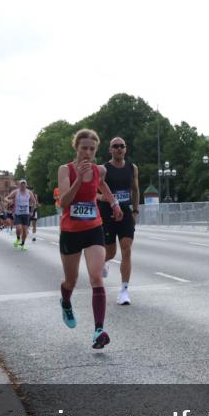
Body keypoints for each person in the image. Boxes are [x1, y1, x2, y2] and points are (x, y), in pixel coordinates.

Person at [57, 128, 123, 349]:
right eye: (83, 148)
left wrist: (113, 204)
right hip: (70, 231)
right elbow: (64, 203)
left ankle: (98, 330)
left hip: (93, 227)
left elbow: (102, 184)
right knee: (71, 280)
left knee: (96, 277)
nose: (87, 153)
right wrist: (78, 180)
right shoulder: (65, 170)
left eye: (92, 149)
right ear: (76, 148)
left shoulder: (99, 170)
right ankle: (66, 302)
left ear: (96, 150)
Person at [99, 137, 140, 305]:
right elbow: (93, 193)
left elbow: (136, 190)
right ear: (110, 150)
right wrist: (109, 199)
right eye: (115, 146)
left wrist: (135, 211)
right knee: (110, 252)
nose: (119, 149)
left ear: (126, 149)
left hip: (125, 213)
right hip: (107, 214)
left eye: (122, 146)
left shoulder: (132, 168)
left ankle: (124, 291)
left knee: (127, 249)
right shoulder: (103, 169)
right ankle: (103, 263)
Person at [5, 180, 39, 249]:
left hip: (26, 214)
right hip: (18, 213)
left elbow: (34, 202)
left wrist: (32, 211)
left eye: (24, 185)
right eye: (21, 184)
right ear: (19, 185)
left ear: (26, 185)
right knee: (18, 228)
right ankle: (18, 239)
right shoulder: (16, 192)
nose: (23, 186)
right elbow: (6, 198)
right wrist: (9, 201)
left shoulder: (29, 192)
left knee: (25, 230)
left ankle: (23, 244)